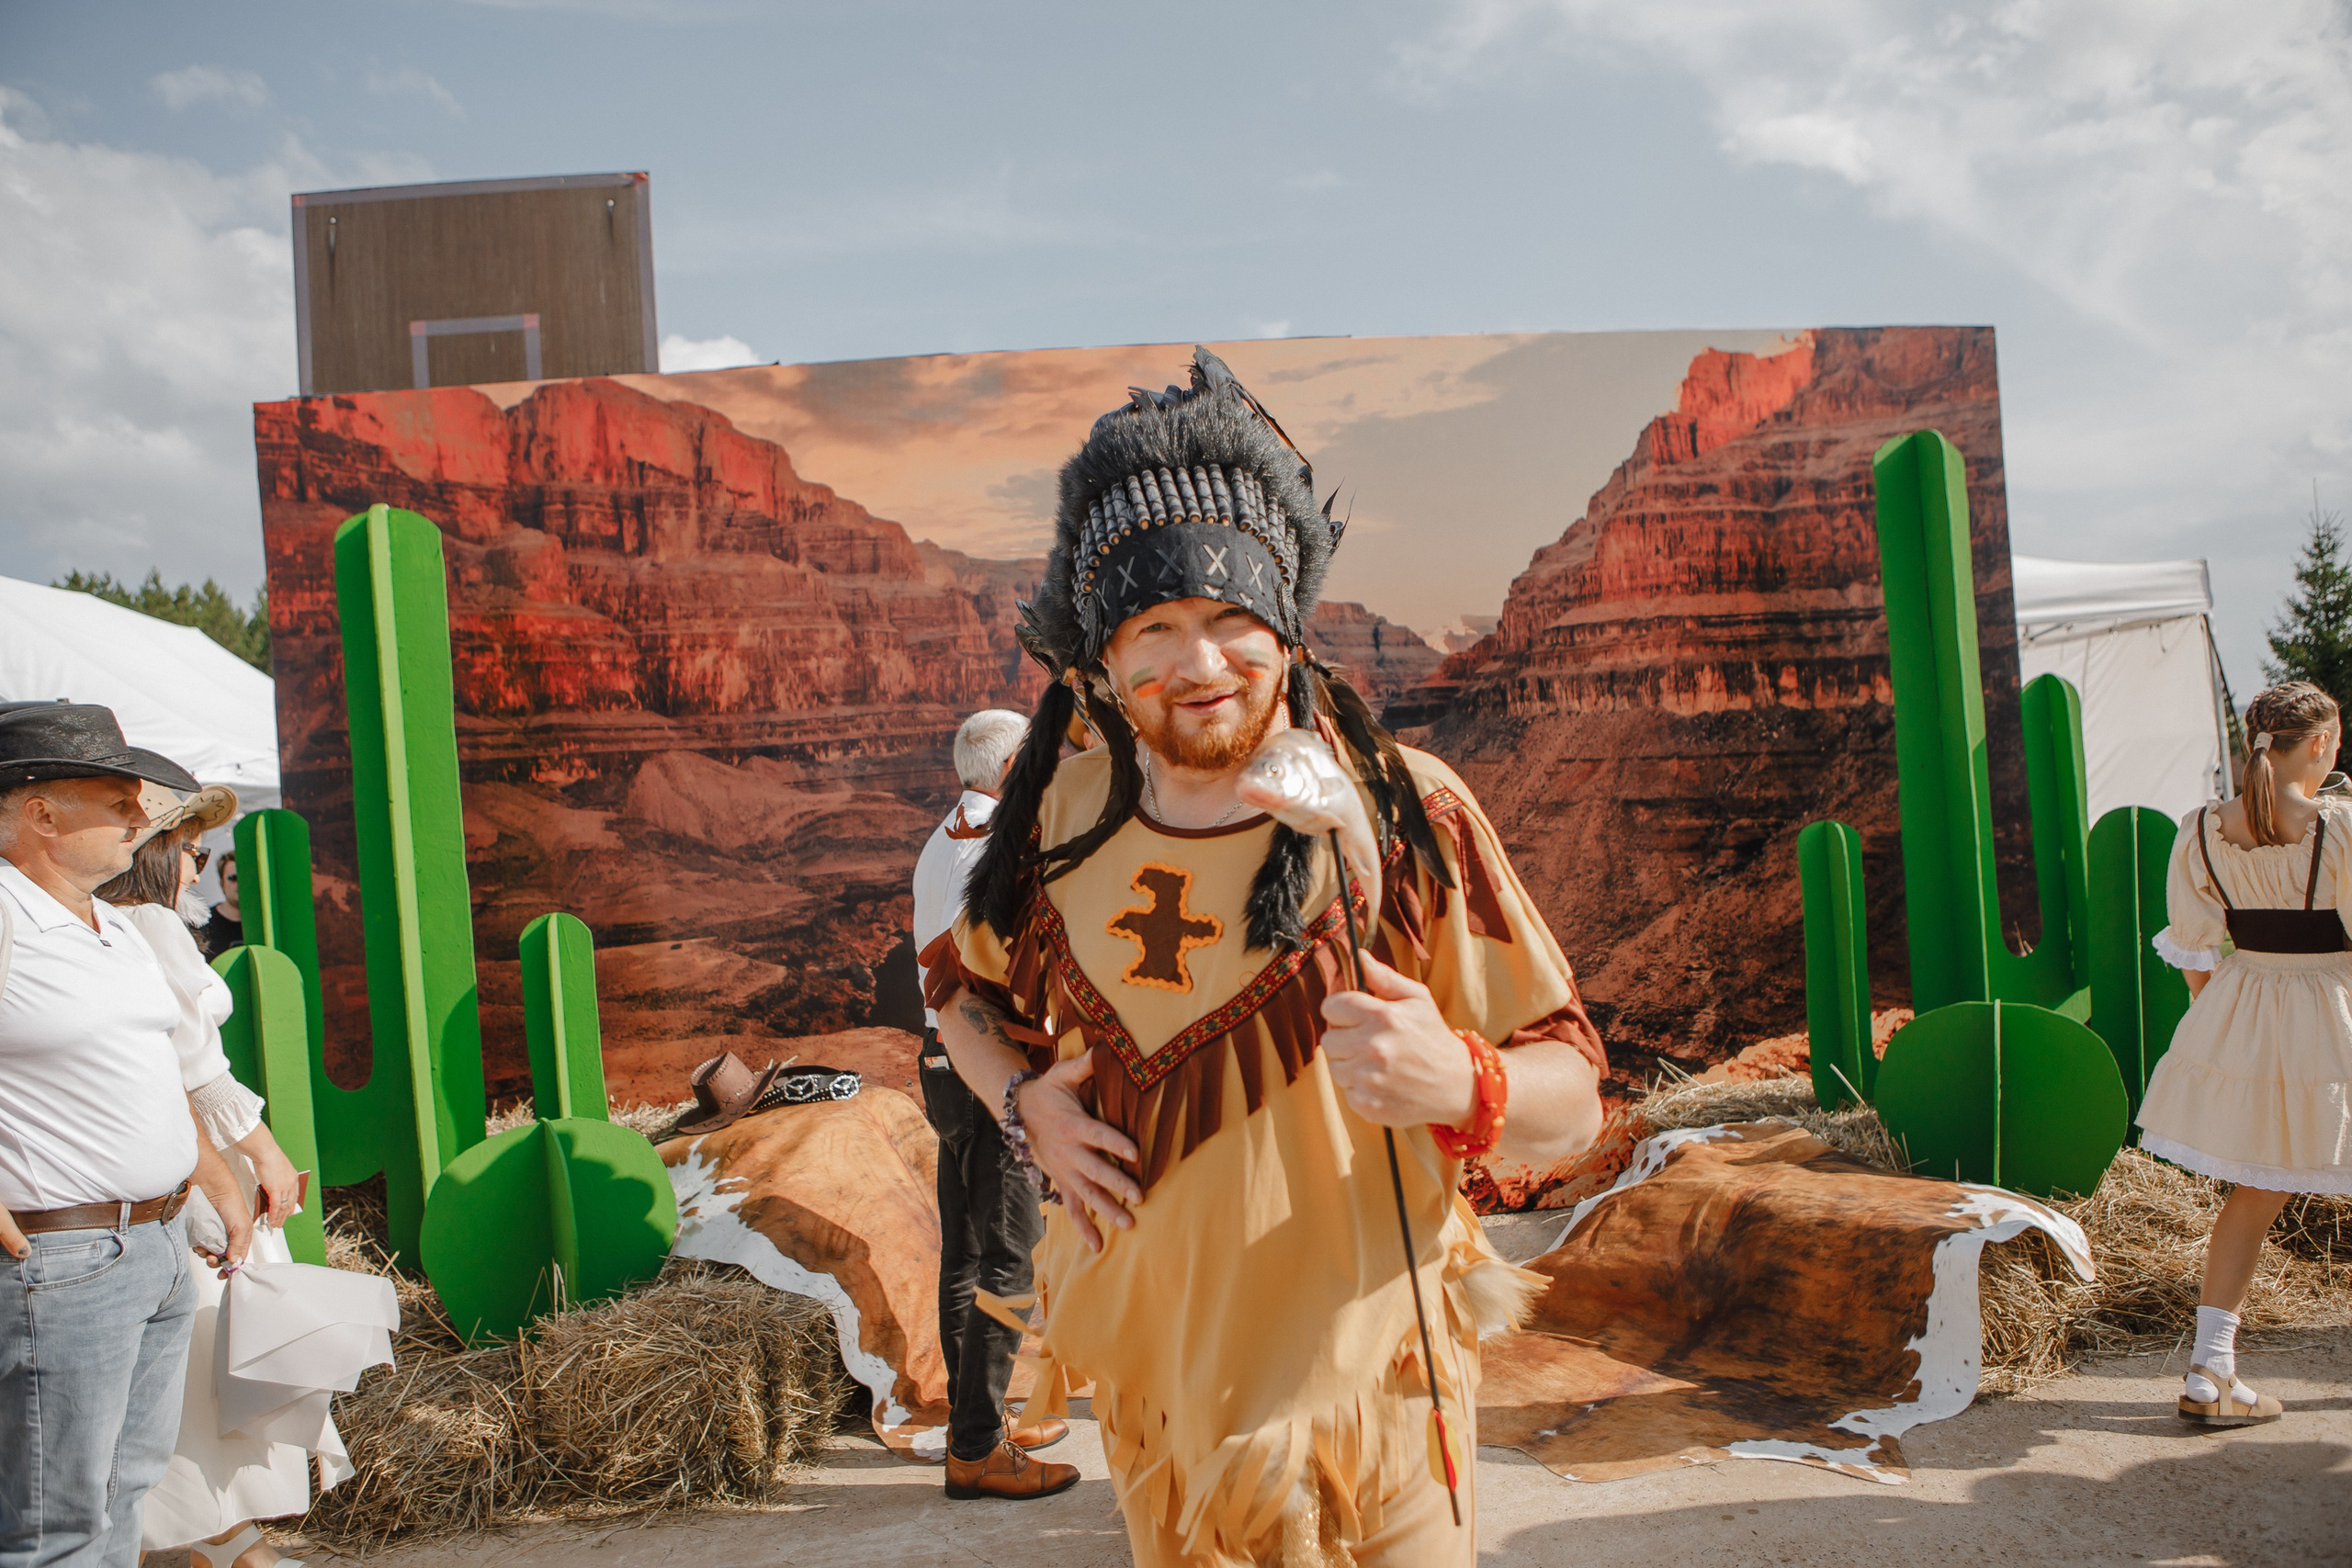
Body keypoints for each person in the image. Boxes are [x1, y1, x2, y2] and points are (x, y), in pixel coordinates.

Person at [927, 350, 1607, 1565]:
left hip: (1384, 1411)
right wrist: (1022, 1099)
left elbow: (1576, 1096)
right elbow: (963, 997)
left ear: (1289, 627)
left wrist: (1466, 1082)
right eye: (1159, 626)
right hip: (1167, 1430)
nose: (1200, 662)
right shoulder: (1061, 820)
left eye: (1234, 617)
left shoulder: (1407, 812)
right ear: (1104, 655)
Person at [0, 703, 254, 1568]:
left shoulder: (106, 919)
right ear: (40, 810)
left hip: (151, 1240)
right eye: (117, 799)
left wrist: (210, 1173)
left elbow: (146, 1064)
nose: (141, 818)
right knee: (56, 1523)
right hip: (62, 1258)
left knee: (124, 1490)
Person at [91, 790, 319, 1568]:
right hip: (194, 1162)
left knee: (189, 1362)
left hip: (175, 1157)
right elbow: (198, 1070)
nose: (198, 865)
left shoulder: (119, 925)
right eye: (191, 848)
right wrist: (263, 1154)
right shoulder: (149, 923)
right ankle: (224, 1544)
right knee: (204, 1358)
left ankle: (217, 1541)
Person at [2144, 679, 2352, 1427]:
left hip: (2244, 1005)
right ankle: (2213, 1372)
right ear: (2323, 743)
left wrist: (2229, 1029)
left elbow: (2196, 949)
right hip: (2332, 1010)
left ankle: (2210, 1371)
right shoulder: (2340, 825)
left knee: (2254, 1194)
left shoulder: (2201, 826)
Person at [910, 708, 1078, 1500]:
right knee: (1014, 1251)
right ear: (1013, 768)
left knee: (966, 1254)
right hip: (988, 1069)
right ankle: (978, 1445)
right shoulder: (996, 853)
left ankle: (975, 1419)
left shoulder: (936, 842)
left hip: (939, 1068)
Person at [195, 850, 242, 961]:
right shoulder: (204, 923)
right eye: (233, 878)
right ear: (222, 884)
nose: (239, 884)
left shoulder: (262, 922)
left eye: (243, 878)